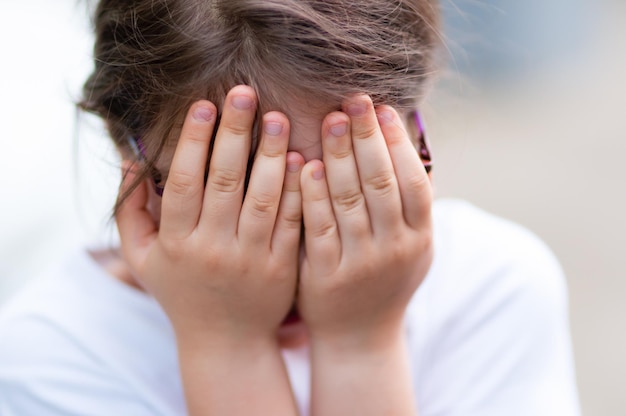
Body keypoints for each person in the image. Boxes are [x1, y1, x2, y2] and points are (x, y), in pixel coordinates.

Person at [0, 0, 580, 415]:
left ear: (414, 131)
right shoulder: (49, 354)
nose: (287, 261)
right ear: (128, 146)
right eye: (237, 203)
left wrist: (361, 343)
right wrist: (224, 344)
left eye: (345, 193)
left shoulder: (493, 291)